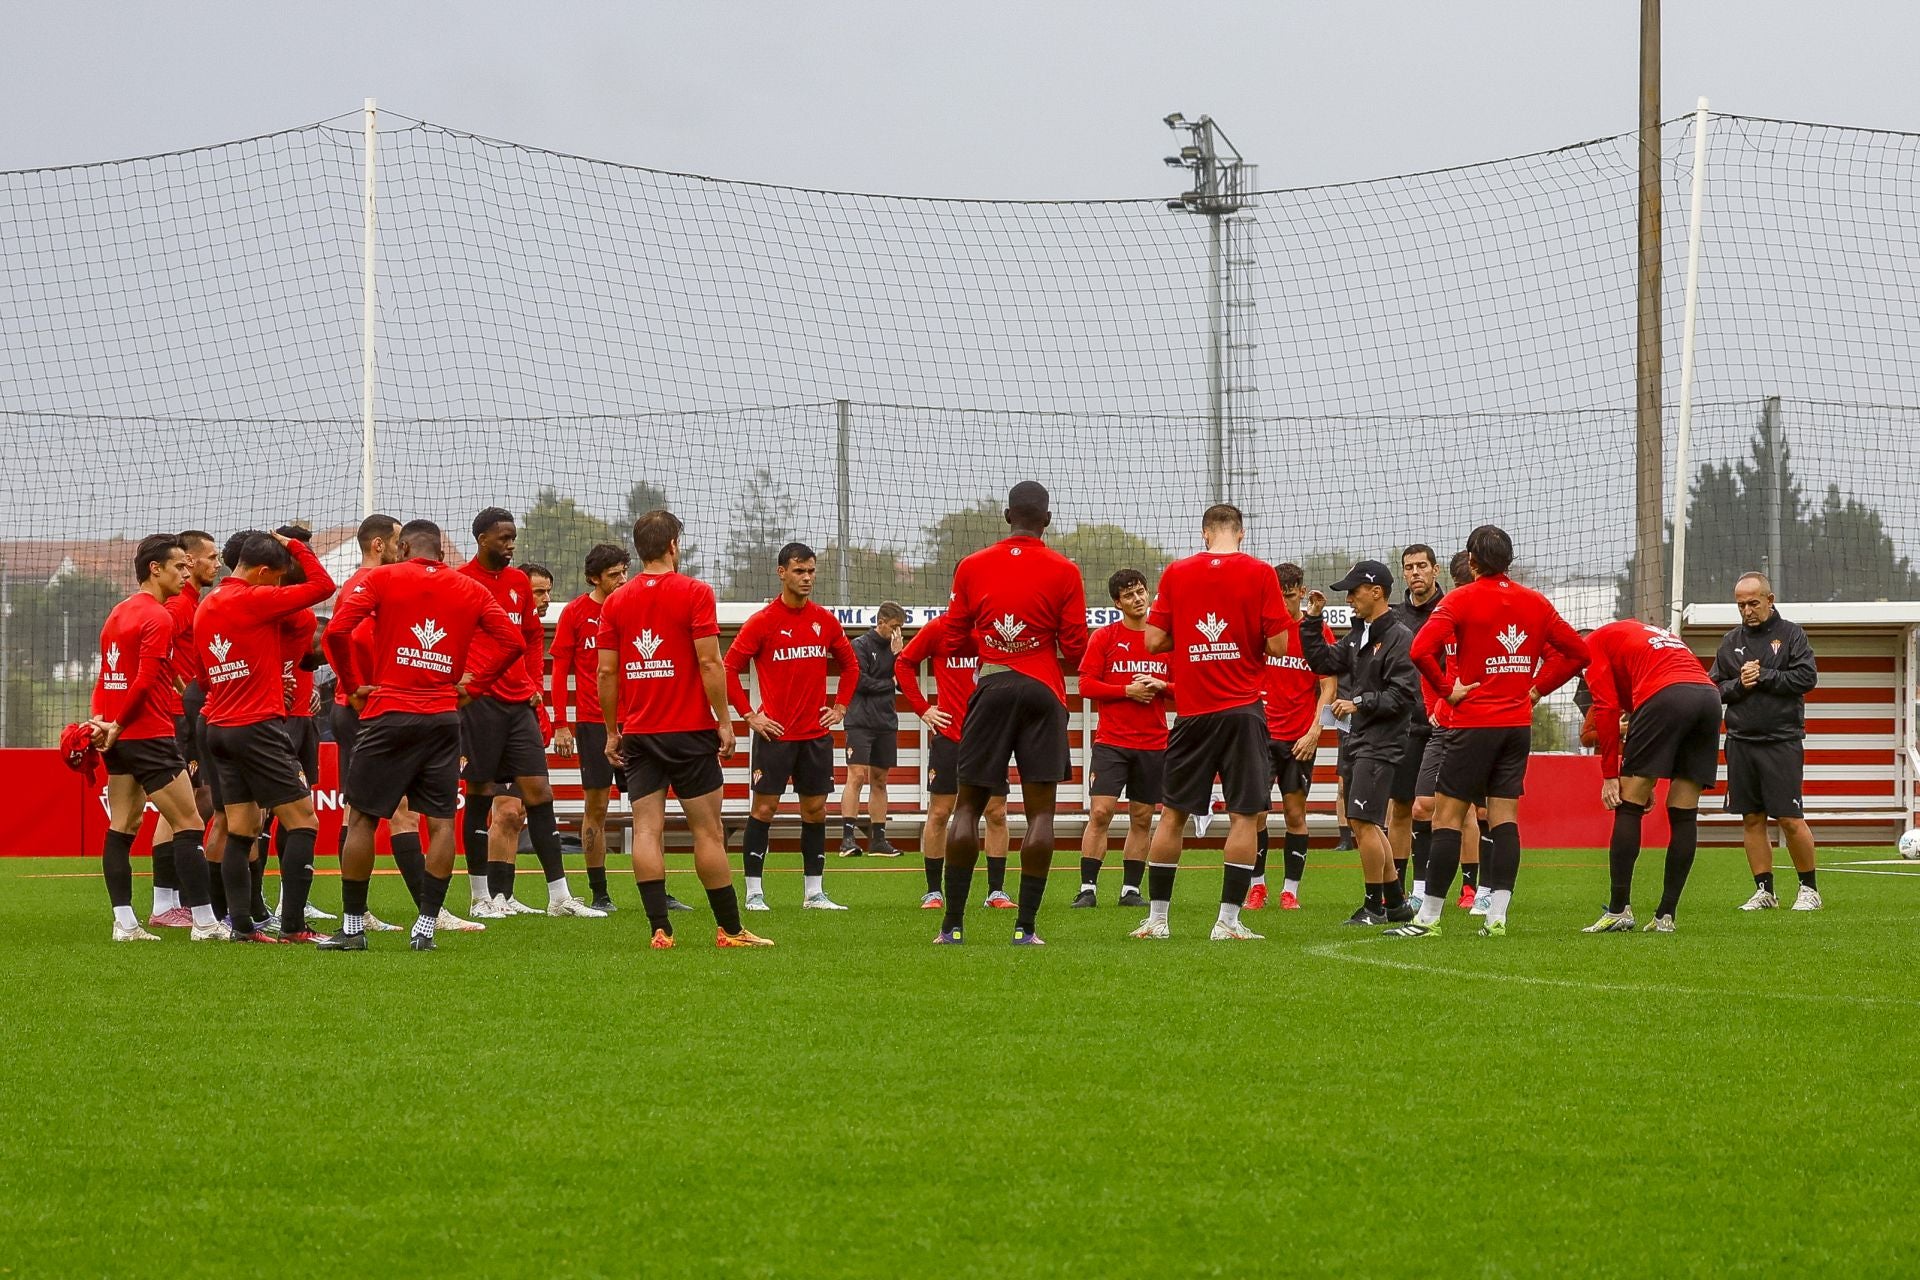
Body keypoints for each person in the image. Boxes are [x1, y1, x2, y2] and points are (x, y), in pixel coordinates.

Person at [318, 520, 525, 951]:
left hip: (389, 711)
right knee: (442, 822)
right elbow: (513, 643)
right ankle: (427, 927)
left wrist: (353, 684)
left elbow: (336, 631)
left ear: (405, 546)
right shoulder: (470, 588)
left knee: (361, 818)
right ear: (442, 554)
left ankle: (353, 929)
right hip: (443, 716)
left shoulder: (382, 577)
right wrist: (475, 686)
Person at [1403, 525, 1588, 938]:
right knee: (1504, 820)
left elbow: (1419, 650)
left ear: (1471, 561)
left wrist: (1447, 690)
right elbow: (1579, 652)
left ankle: (1428, 919)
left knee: (1447, 818)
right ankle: (1497, 917)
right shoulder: (1536, 602)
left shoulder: (1460, 599)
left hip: (1472, 725)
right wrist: (1537, 687)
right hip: (1517, 727)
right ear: (1509, 561)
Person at [598, 509, 771, 948]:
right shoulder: (695, 591)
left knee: (646, 829)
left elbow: (606, 673)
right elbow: (710, 662)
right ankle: (730, 930)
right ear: (674, 544)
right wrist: (726, 722)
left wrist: (612, 731)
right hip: (690, 731)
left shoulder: (616, 600)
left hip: (639, 733)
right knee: (707, 831)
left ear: (638, 551)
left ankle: (660, 929)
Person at [937, 481, 1088, 946]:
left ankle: (953, 926)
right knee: (1040, 814)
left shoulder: (972, 566)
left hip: (992, 684)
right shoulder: (1065, 570)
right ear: (1046, 520)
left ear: (1007, 516)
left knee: (967, 806)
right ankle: (1026, 928)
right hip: (1043, 690)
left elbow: (951, 637)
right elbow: (1077, 646)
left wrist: (994, 643)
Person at [1131, 503, 1289, 942]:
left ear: (1204, 534)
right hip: (1243, 711)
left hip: (1193, 712)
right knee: (1244, 815)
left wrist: (1194, 634)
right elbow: (1278, 645)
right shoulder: (1260, 573)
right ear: (1241, 534)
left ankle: (1157, 920)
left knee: (1173, 815)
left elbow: (1153, 640)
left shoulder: (1177, 573)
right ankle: (1228, 922)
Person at [458, 508, 603, 919]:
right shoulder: (464, 581)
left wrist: (531, 686)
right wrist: (463, 678)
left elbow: (532, 637)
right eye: (503, 538)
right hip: (479, 703)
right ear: (482, 538)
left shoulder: (519, 582)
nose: (510, 544)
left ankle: (559, 897)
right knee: (481, 795)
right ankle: (481, 897)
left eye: (512, 537)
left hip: (518, 703)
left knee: (539, 793)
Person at [328, 513, 466, 933]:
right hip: (370, 708)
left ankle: (372, 912)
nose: (400, 548)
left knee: (376, 812)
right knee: (377, 814)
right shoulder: (366, 583)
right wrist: (362, 686)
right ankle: (418, 913)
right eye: (394, 540)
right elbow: (349, 638)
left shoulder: (384, 583)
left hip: (378, 705)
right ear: (381, 546)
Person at [195, 530, 336, 942]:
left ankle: (241, 927)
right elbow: (322, 587)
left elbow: (205, 677)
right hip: (256, 726)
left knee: (241, 827)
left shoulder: (207, 606)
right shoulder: (254, 599)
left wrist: (267, 678)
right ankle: (293, 925)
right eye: (276, 577)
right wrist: (295, 546)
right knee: (304, 821)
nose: (278, 586)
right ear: (261, 572)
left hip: (219, 727)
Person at [89, 535, 226, 942]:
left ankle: (125, 923)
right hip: (149, 733)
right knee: (189, 821)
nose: (186, 575)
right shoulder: (159, 616)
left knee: (122, 826)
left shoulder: (119, 612)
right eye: (179, 568)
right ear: (156, 569)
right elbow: (145, 680)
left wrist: (103, 720)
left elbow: (109, 674)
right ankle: (203, 922)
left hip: (119, 736)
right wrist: (117, 722)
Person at [724, 542, 859, 912]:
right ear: (782, 572)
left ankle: (813, 893)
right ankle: (753, 892)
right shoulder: (763, 622)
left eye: (812, 571)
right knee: (763, 810)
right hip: (775, 735)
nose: (807, 578)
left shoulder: (824, 620)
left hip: (815, 736)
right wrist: (750, 716)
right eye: (800, 571)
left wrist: (841, 706)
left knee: (815, 811)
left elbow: (851, 666)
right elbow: (728, 669)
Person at [1578, 619, 1721, 933]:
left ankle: (1619, 911)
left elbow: (1606, 708)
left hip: (1666, 695)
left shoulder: (1589, 648)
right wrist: (1647, 774)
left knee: (1628, 804)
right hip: (1709, 698)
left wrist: (1610, 775)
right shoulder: (1636, 632)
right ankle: (1665, 916)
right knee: (1684, 813)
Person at [1298, 560, 1421, 926]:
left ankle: (1373, 906)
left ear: (1377, 592)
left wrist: (1359, 703)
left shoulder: (1399, 637)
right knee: (1365, 821)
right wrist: (1312, 621)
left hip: (1382, 740)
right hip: (1362, 738)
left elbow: (1404, 695)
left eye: (1354, 591)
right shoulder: (1358, 636)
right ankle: (1395, 902)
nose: (1349, 598)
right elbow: (1322, 660)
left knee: (1362, 821)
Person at [1711, 573, 1822, 911]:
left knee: (1789, 817)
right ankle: (1765, 892)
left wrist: (1765, 675)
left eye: (1754, 603)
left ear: (1770, 600)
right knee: (1751, 818)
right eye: (1741, 604)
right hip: (1741, 742)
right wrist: (1739, 685)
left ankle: (1809, 890)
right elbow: (1712, 690)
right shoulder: (1730, 642)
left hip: (1781, 740)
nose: (1747, 610)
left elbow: (1807, 677)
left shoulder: (1792, 634)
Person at [895, 612, 1012, 910]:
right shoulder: (939, 628)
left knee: (996, 812)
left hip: (990, 737)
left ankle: (996, 892)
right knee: (940, 812)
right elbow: (903, 663)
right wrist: (923, 709)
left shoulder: (997, 628)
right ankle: (934, 892)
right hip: (950, 736)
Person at [1074, 568, 1172, 908]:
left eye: (1141, 591)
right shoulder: (1104, 637)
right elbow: (1086, 685)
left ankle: (1130, 890)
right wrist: (1126, 691)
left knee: (1142, 816)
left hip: (1153, 743)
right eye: (1129, 595)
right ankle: (1088, 888)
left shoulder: (1164, 639)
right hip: (1112, 742)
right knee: (1101, 813)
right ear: (1118, 602)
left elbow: (1186, 689)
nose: (1138, 598)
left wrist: (1163, 686)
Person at [550, 542, 631, 913]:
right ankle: (600, 892)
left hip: (638, 722)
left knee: (651, 806)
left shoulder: (634, 607)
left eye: (624, 572)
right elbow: (559, 672)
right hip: (593, 723)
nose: (622, 580)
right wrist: (561, 724)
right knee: (596, 806)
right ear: (594, 578)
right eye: (614, 575)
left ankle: (657, 889)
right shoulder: (576, 613)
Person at [145, 528, 219, 929]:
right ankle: (165, 903)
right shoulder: (179, 606)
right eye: (209, 557)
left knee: (186, 807)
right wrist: (177, 686)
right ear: (188, 563)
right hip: (178, 717)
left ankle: (169, 902)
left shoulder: (192, 601)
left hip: (183, 714)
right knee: (184, 809)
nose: (215, 563)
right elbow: (156, 651)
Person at [1256, 562, 1336, 910]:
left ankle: (1291, 890)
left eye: (1290, 595)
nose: (1285, 601)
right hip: (1260, 736)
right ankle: (1256, 887)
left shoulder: (1315, 631)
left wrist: (1316, 730)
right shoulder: (1261, 629)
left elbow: (1328, 684)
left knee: (1294, 813)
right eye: (1279, 594)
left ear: (1302, 592)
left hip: (1298, 738)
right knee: (1254, 813)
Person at [1389, 544, 1444, 900]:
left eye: (1422, 566)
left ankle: (1453, 887)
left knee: (1435, 807)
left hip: (1442, 726)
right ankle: (1395, 889)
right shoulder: (1395, 618)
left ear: (1436, 570)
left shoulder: (1451, 610)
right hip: (1406, 726)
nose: (1415, 573)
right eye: (1409, 567)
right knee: (1402, 807)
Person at [841, 602, 907, 856]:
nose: (897, 632)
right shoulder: (860, 645)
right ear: (881, 622)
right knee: (856, 776)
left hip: (886, 722)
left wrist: (898, 656)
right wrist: (889, 682)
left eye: (900, 628)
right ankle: (848, 838)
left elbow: (902, 681)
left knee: (879, 780)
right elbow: (860, 681)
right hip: (859, 721)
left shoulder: (896, 648)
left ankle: (878, 840)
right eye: (893, 627)